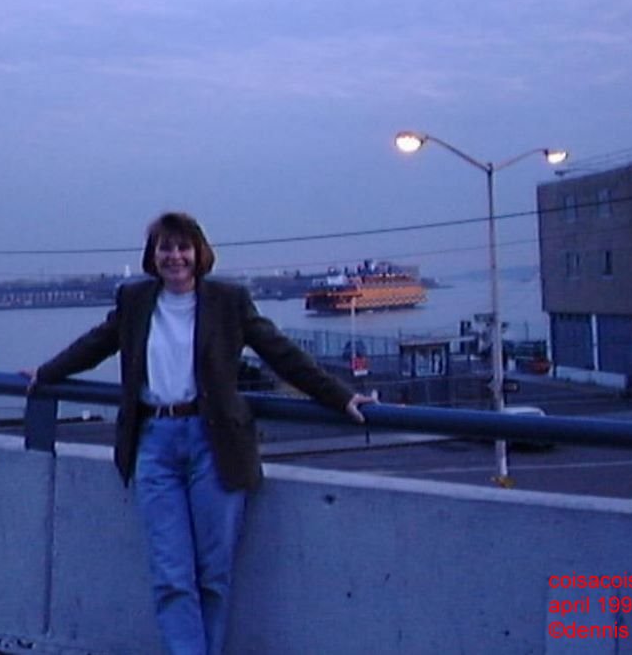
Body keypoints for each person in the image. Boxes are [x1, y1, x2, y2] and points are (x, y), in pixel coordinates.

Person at [24, 212, 377, 655]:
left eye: (183, 247)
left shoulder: (228, 301)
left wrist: (341, 397)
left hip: (215, 444)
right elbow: (95, 344)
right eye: (165, 248)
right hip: (154, 441)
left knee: (213, 573)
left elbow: (281, 354)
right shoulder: (135, 300)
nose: (175, 257)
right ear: (152, 257)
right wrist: (47, 372)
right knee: (171, 575)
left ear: (199, 253)